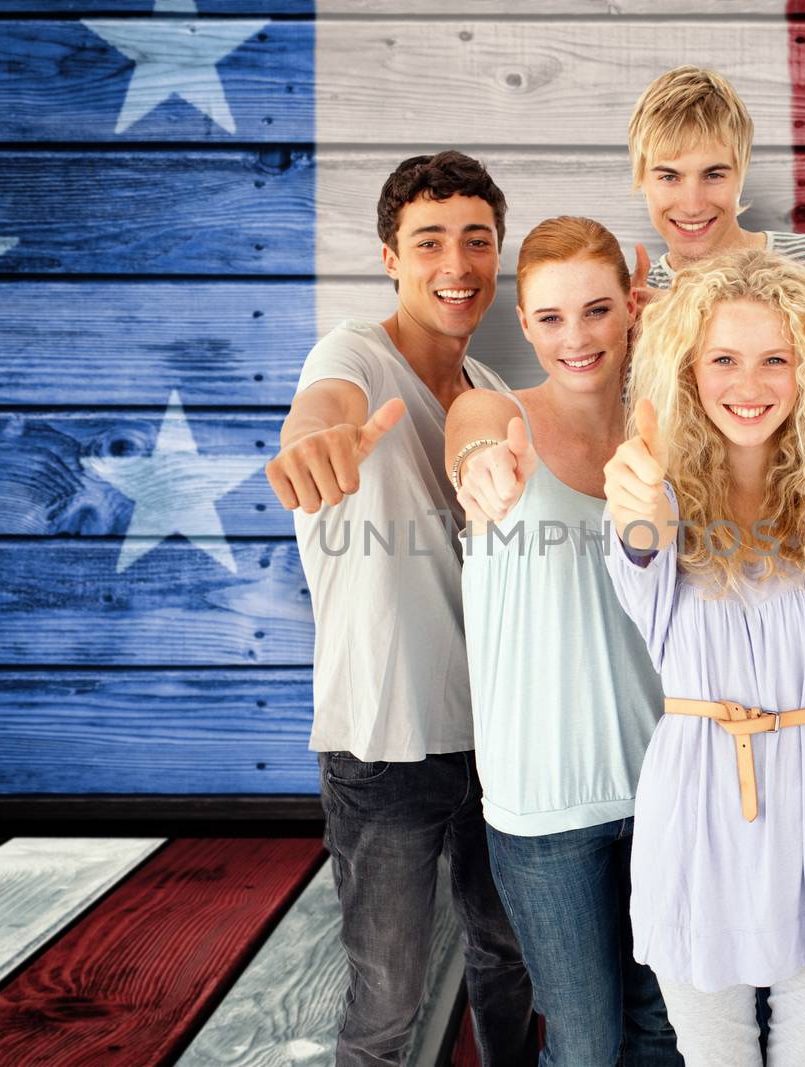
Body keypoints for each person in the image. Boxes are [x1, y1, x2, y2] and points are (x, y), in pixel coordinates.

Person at [265, 150, 535, 1067]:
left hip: (498, 740)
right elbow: (323, 411)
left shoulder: (497, 398)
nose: (455, 265)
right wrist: (315, 442)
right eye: (429, 242)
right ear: (389, 256)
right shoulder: (353, 355)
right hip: (385, 742)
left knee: (509, 959)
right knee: (388, 1002)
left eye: (476, 241)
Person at [602, 247, 805, 1065]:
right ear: (689, 371)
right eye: (724, 359)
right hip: (697, 802)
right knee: (713, 1056)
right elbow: (639, 549)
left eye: (777, 359)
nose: (750, 383)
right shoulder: (650, 487)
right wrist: (638, 514)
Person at [444, 216, 682, 1067]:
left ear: (632, 308)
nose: (575, 337)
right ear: (523, 322)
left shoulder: (674, 434)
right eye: (549, 317)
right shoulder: (495, 412)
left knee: (666, 1031)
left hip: (668, 788)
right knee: (584, 1044)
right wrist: (479, 463)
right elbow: (466, 437)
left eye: (596, 309)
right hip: (544, 806)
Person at [627, 65, 805, 376]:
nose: (692, 204)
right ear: (640, 178)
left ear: (742, 173)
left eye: (714, 175)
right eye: (669, 176)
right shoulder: (630, 307)